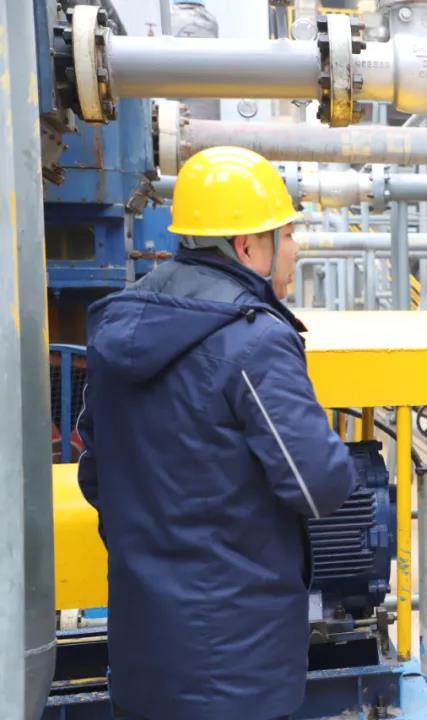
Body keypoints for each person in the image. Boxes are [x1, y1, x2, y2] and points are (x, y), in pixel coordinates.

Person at [77, 146, 358, 720]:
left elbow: (95, 475)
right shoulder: (253, 340)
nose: (295, 248)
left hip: (142, 654)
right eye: (287, 234)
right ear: (247, 245)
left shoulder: (120, 324)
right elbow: (318, 486)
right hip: (236, 667)